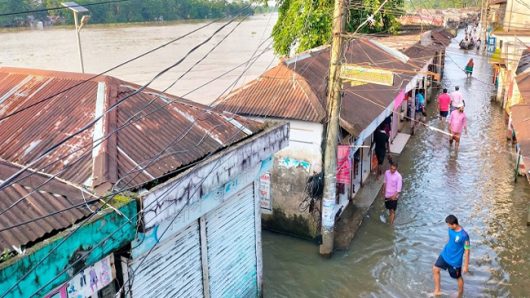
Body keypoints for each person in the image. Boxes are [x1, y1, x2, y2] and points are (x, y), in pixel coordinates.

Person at [433, 215, 470, 296]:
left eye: (449, 225)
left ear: (454, 224)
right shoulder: (450, 228)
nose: (448, 226)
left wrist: (466, 266)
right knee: (435, 269)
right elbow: (451, 239)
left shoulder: (464, 236)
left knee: (458, 277)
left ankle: (460, 294)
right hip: (445, 254)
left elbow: (467, 251)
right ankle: (437, 290)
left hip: (455, 261)